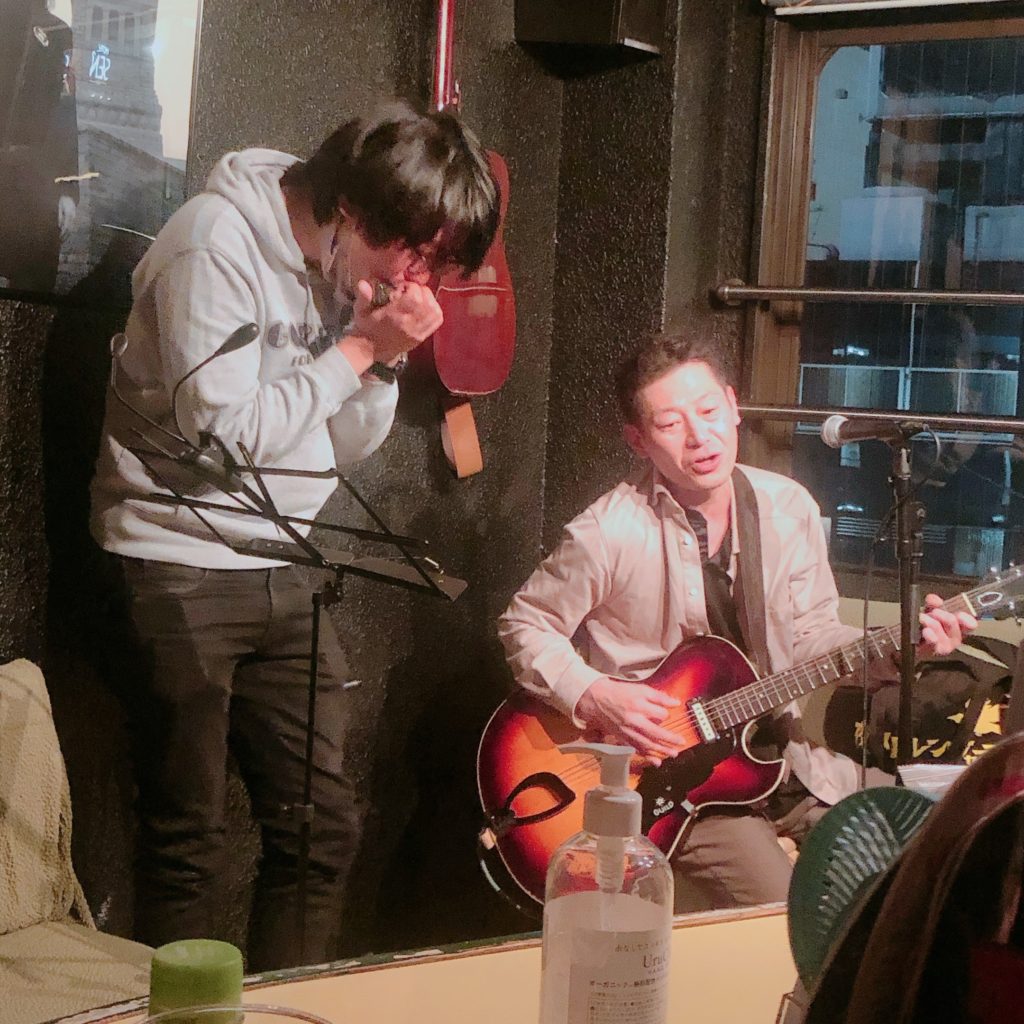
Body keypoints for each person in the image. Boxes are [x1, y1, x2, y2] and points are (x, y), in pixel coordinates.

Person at [90, 99, 499, 968]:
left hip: (286, 558)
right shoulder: (213, 243)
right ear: (352, 209)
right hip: (177, 556)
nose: (420, 280)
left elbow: (342, 444)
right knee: (188, 838)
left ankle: (289, 1008)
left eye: (439, 264)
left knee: (322, 827)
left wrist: (380, 360)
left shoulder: (344, 267)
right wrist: (357, 351)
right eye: (418, 252)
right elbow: (222, 442)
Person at [498, 332, 976, 911]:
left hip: (785, 761)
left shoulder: (787, 507)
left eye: (708, 411)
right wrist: (596, 694)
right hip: (678, 784)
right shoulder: (607, 531)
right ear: (639, 440)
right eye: (670, 423)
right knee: (782, 913)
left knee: (946, 833)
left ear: (733, 406)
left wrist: (899, 651)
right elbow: (524, 626)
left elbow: (812, 638)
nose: (699, 436)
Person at [0, 0, 79, 292]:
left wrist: (67, 188)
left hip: (35, 180)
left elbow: (66, 111)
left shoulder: (58, 34)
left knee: (34, 284)